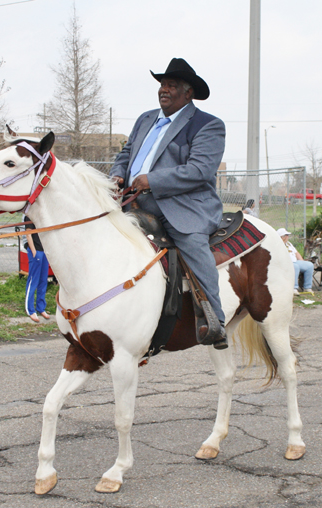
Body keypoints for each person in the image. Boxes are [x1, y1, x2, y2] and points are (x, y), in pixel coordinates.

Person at [109, 58, 228, 348]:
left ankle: (212, 319)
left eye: (171, 85)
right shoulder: (146, 119)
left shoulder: (208, 125)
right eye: (162, 85)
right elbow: (126, 154)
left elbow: (200, 171)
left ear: (188, 93)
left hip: (182, 206)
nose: (164, 90)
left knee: (193, 244)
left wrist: (152, 180)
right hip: (132, 200)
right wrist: (116, 175)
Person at [24, 217, 51, 323]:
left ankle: (41, 308)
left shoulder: (42, 215)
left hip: (44, 251)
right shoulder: (30, 216)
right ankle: (30, 310)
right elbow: (28, 234)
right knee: (33, 280)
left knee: (43, 280)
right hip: (36, 251)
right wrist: (34, 251)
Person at [277, 228, 314, 295]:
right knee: (295, 267)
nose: (288, 237)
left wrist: (302, 261)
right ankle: (294, 288)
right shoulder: (278, 245)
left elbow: (296, 253)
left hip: (295, 262)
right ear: (282, 237)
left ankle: (307, 287)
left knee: (309, 265)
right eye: (286, 235)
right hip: (285, 263)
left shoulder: (289, 244)